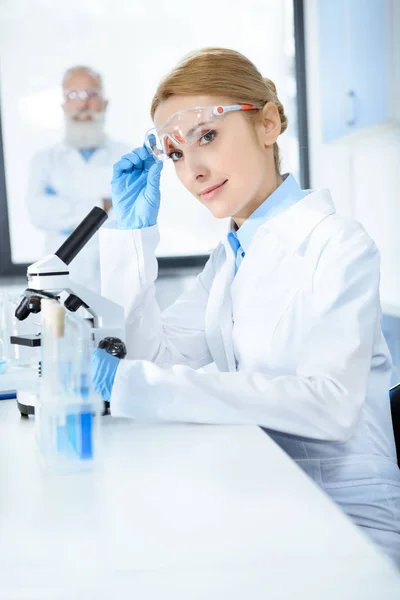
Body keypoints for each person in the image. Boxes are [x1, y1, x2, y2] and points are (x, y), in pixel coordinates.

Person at [93, 48, 400, 565]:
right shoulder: (230, 258)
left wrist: (132, 384)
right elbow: (152, 359)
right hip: (269, 489)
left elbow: (329, 405)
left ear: (269, 123)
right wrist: (132, 236)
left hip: (349, 523)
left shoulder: (339, 244)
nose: (192, 171)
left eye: (206, 136)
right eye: (175, 154)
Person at [27, 65, 129, 292]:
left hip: (115, 279)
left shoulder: (126, 156)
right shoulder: (44, 160)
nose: (83, 105)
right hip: (62, 282)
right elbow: (39, 213)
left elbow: (128, 214)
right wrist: (100, 205)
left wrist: (66, 211)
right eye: (73, 95)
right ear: (63, 105)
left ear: (105, 103)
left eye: (91, 95)